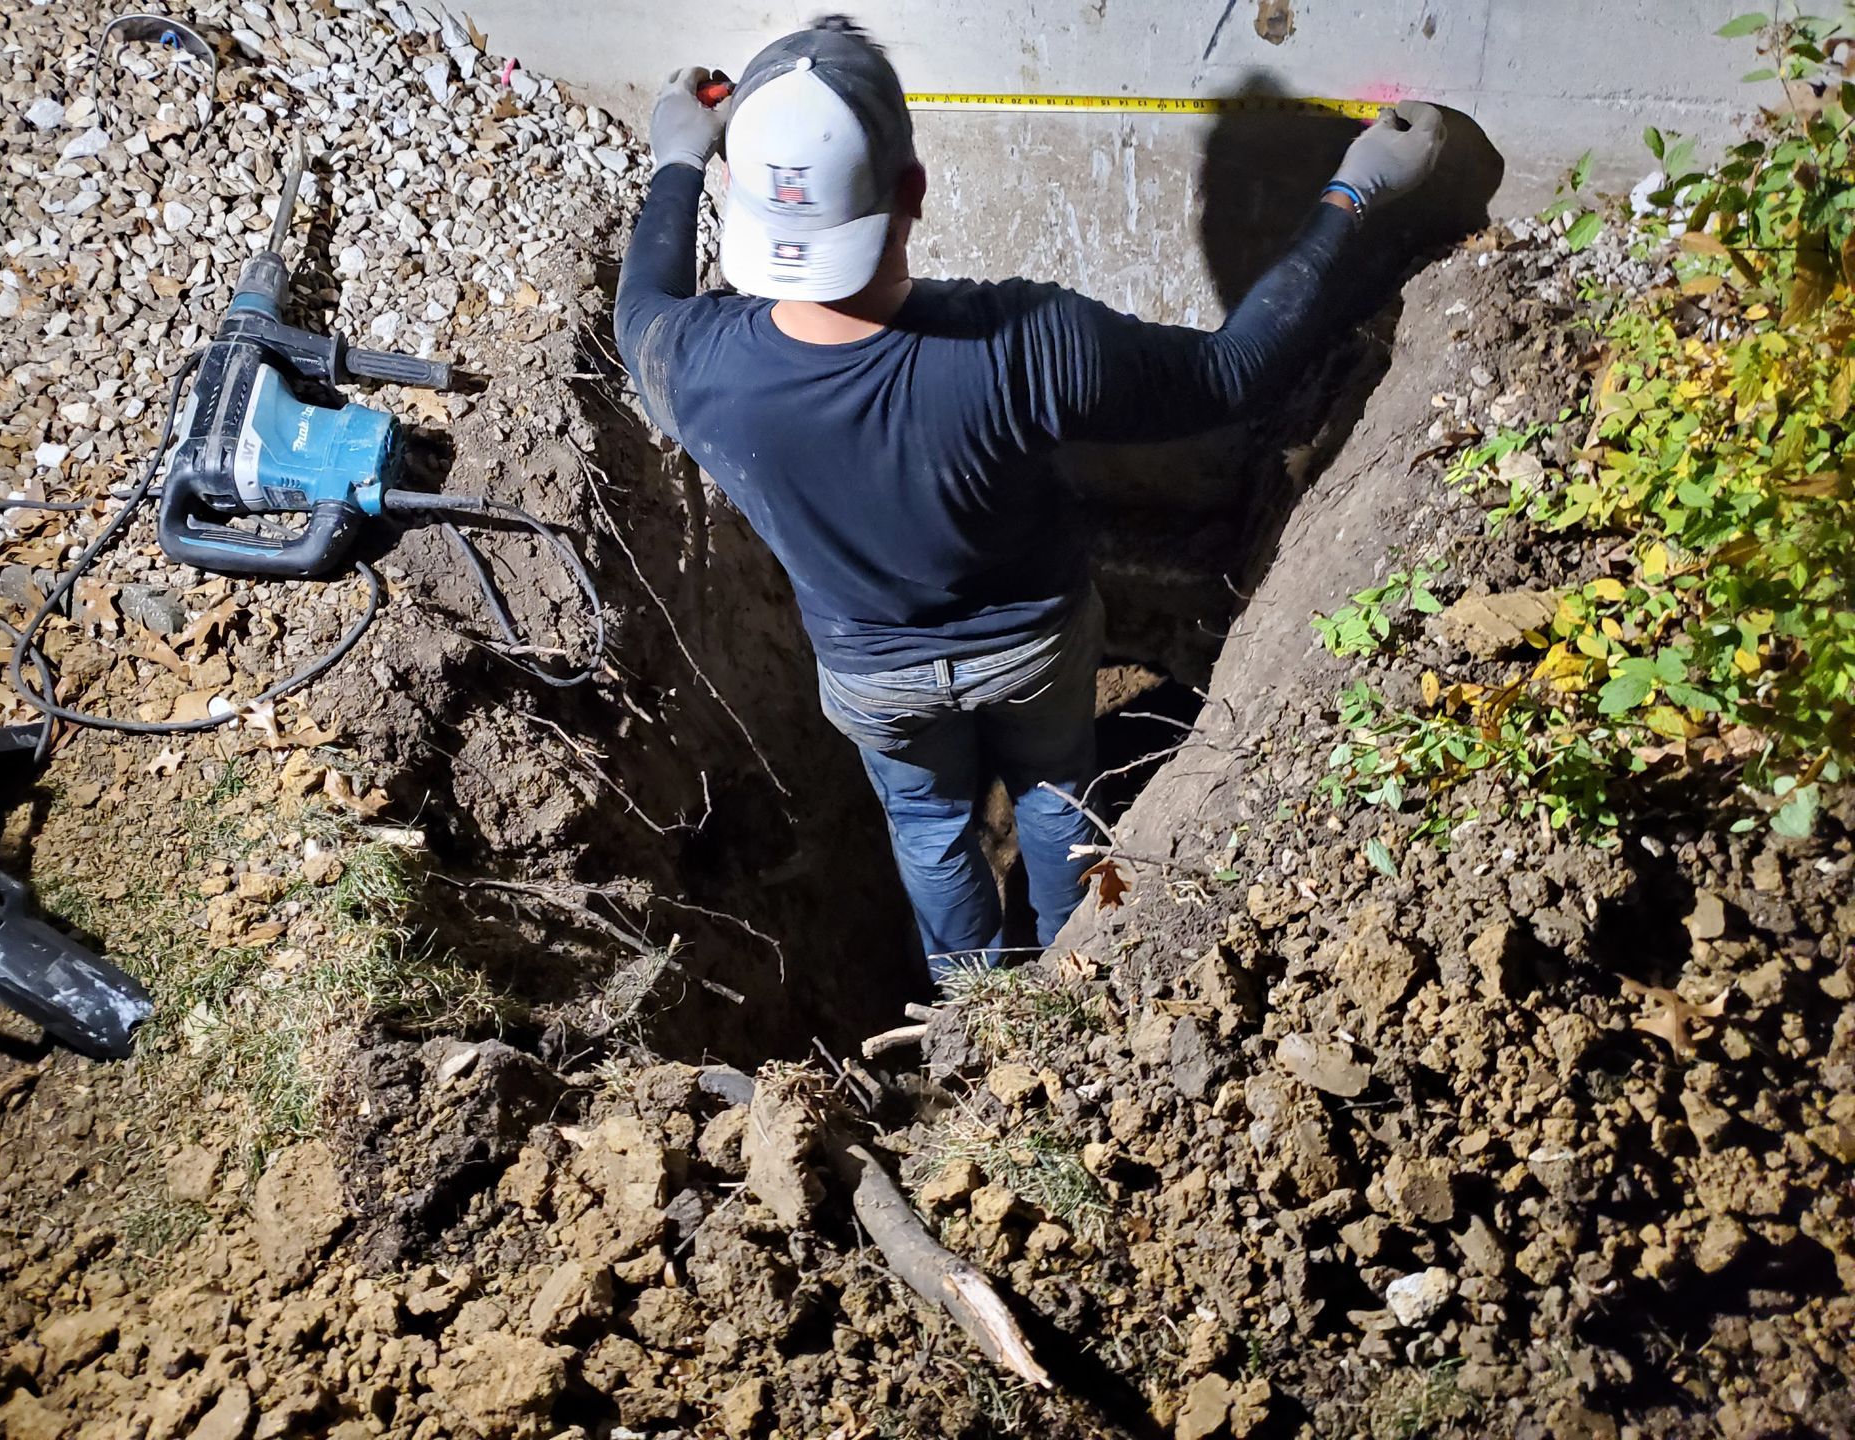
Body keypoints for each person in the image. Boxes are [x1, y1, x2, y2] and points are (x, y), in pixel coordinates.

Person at [613, 16, 1444, 986]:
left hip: (873, 678)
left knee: (928, 825)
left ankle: (973, 1012)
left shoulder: (695, 365)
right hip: (1034, 646)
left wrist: (677, 158)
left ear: (748, 213)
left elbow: (642, 304)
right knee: (1055, 795)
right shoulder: (1021, 344)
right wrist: (1355, 191)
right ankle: (1067, 980)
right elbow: (1233, 373)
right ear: (913, 191)